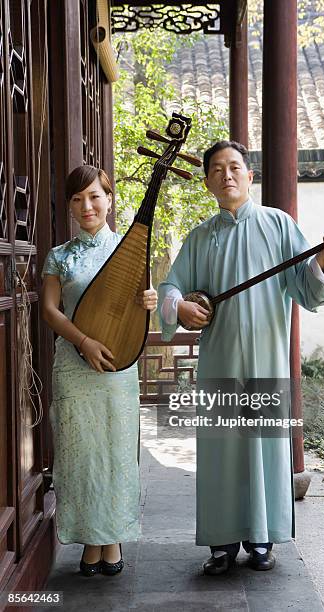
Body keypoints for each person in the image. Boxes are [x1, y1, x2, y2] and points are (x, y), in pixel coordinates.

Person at [158, 141, 324, 575]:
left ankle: (262, 539)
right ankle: (221, 543)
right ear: (207, 181)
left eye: (235, 167)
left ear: (249, 176)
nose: (227, 175)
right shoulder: (200, 236)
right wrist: (181, 307)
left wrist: (322, 257)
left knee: (262, 447)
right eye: (218, 169)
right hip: (219, 362)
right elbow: (172, 287)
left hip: (266, 361)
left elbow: (306, 286)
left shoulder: (278, 225)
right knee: (222, 450)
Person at [41, 165, 157, 577]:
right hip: (74, 367)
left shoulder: (129, 250)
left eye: (95, 196)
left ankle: (113, 539)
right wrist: (83, 342)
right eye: (77, 199)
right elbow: (51, 311)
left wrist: (148, 302)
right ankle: (90, 540)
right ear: (70, 206)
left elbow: (133, 311)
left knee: (116, 454)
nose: (87, 205)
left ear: (109, 199)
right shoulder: (59, 256)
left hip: (115, 367)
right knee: (80, 455)